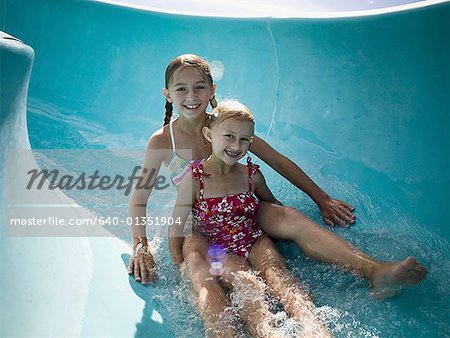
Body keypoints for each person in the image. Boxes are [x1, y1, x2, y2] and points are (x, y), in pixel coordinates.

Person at [127, 54, 427, 323]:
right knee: (203, 266)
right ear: (168, 94)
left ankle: (375, 271)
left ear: (212, 90)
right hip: (200, 220)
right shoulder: (163, 141)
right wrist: (141, 246)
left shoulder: (227, 125)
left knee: (291, 217)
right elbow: (138, 199)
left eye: (199, 87)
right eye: (181, 89)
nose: (191, 96)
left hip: (243, 206)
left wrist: (320, 198)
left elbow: (279, 161)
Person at [169, 100, 332, 337]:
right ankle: (263, 331)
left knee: (279, 275)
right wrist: (178, 262)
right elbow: (177, 222)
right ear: (209, 134)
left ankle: (314, 326)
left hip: (252, 237)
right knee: (248, 286)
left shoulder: (252, 175)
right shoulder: (195, 178)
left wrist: (287, 233)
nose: (237, 145)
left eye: (244, 139)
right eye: (229, 136)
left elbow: (270, 204)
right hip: (217, 245)